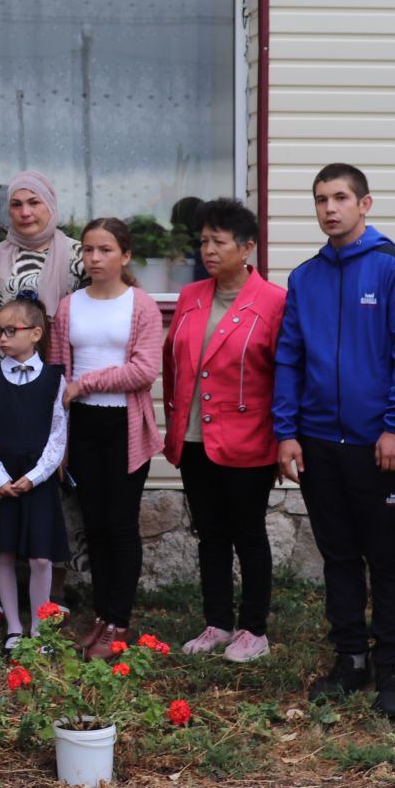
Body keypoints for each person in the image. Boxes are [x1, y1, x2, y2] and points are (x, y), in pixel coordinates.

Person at [274, 162, 395, 719]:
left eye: (340, 198)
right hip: (317, 442)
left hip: (378, 444)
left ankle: (392, 669)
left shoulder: (393, 268)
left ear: (365, 204)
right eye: (320, 200)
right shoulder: (305, 277)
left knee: (386, 556)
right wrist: (285, 432)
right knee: (337, 554)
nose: (329, 209)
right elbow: (288, 357)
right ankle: (350, 659)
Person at [0, 170, 86, 630]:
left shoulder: (76, 257)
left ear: (51, 204)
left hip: (52, 386)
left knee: (50, 488)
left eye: (34, 202)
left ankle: (53, 592)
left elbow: (80, 328)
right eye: (17, 204)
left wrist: (69, 394)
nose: (26, 212)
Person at [162, 198, 286, 663]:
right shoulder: (193, 296)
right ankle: (216, 622)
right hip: (194, 439)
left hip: (249, 441)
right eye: (203, 241)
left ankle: (254, 628)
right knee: (210, 535)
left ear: (247, 247)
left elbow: (284, 375)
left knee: (248, 534)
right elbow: (171, 362)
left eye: (218, 241)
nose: (208, 250)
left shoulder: (273, 302)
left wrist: (281, 439)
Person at [48, 217, 164, 658]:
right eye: (89, 250)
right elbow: (59, 375)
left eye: (106, 250)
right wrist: (59, 440)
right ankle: (101, 615)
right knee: (93, 527)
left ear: (125, 256)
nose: (95, 258)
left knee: (120, 526)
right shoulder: (69, 306)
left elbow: (143, 370)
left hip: (124, 427)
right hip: (83, 428)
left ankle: (120, 620)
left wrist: (87, 383)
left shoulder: (141, 306)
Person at [0, 295, 70, 652]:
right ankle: (13, 627)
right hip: (1, 480)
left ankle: (39, 629)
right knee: (3, 552)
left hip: (35, 479)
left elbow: (58, 435)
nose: (2, 339)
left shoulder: (54, 378)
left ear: (36, 333)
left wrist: (36, 476)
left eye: (11, 331)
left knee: (40, 556)